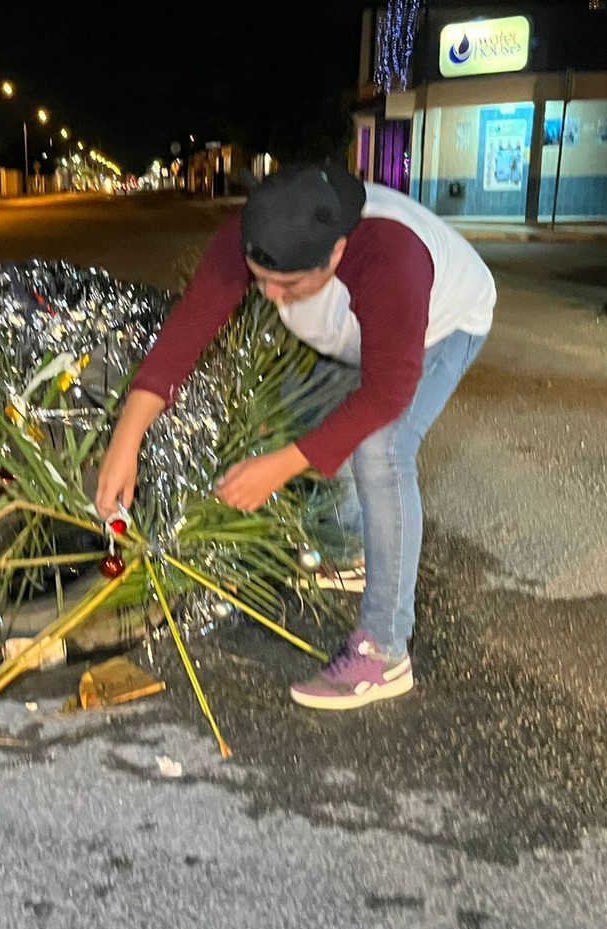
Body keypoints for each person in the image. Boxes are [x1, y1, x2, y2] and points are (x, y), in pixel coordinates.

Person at [95, 162, 494, 710]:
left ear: (334, 254)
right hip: (358, 332)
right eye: (262, 282)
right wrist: (127, 439)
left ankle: (385, 650)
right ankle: (355, 551)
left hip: (443, 325)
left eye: (288, 285)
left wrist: (282, 464)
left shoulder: (390, 261)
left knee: (381, 450)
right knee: (305, 412)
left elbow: (386, 393)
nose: (274, 298)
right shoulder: (258, 232)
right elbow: (185, 335)